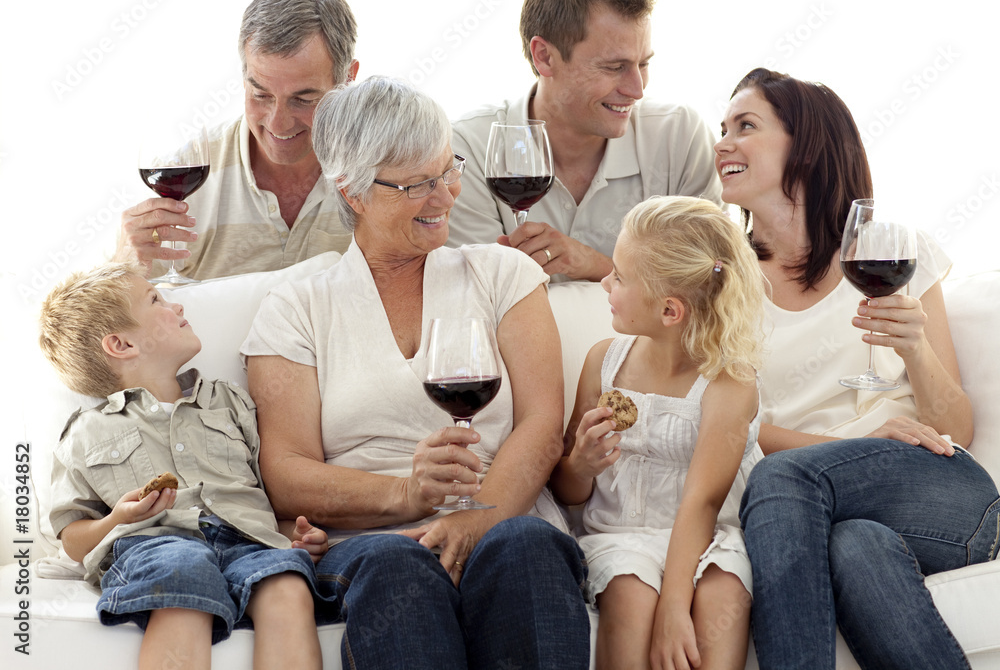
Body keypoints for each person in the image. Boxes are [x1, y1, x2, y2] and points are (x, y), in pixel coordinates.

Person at [241, 75, 590, 669]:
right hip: (372, 545)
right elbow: (286, 472)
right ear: (352, 192)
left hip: (504, 522)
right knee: (396, 563)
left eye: (448, 170)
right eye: (417, 185)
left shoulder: (500, 274)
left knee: (527, 544)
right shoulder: (297, 305)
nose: (445, 196)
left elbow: (541, 425)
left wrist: (473, 521)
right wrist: (407, 494)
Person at [717, 68, 1000, 669]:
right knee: (856, 546)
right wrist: (852, 447)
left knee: (782, 478)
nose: (723, 144)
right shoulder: (719, 280)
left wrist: (915, 350)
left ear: (806, 147)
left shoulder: (894, 253)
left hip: (938, 492)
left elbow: (956, 429)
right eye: (723, 129)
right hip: (808, 508)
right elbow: (727, 426)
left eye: (745, 126)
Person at [38, 262, 334, 669]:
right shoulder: (87, 430)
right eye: (156, 300)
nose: (176, 306)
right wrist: (118, 519)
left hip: (250, 541)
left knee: (287, 581)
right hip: (158, 544)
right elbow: (72, 539)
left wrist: (297, 536)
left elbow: (262, 498)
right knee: (182, 575)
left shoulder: (229, 403)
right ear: (122, 344)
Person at [550, 196, 765, 670]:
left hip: (710, 534)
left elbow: (703, 502)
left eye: (619, 277)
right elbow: (566, 491)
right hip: (620, 535)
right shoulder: (604, 363)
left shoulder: (729, 382)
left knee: (724, 592)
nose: (604, 282)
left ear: (670, 311)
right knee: (629, 595)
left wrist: (674, 607)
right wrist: (580, 465)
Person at [447, 0, 721, 282]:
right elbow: (480, 293)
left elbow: (709, 286)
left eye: (643, 64)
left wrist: (592, 264)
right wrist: (632, 278)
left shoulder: (681, 138)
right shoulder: (470, 148)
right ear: (544, 57)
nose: (637, 90)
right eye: (614, 67)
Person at [114, 0, 359, 281]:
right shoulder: (187, 178)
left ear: (348, 79)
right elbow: (109, 305)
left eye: (303, 99)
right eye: (261, 95)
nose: (277, 124)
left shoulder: (378, 171)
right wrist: (123, 267)